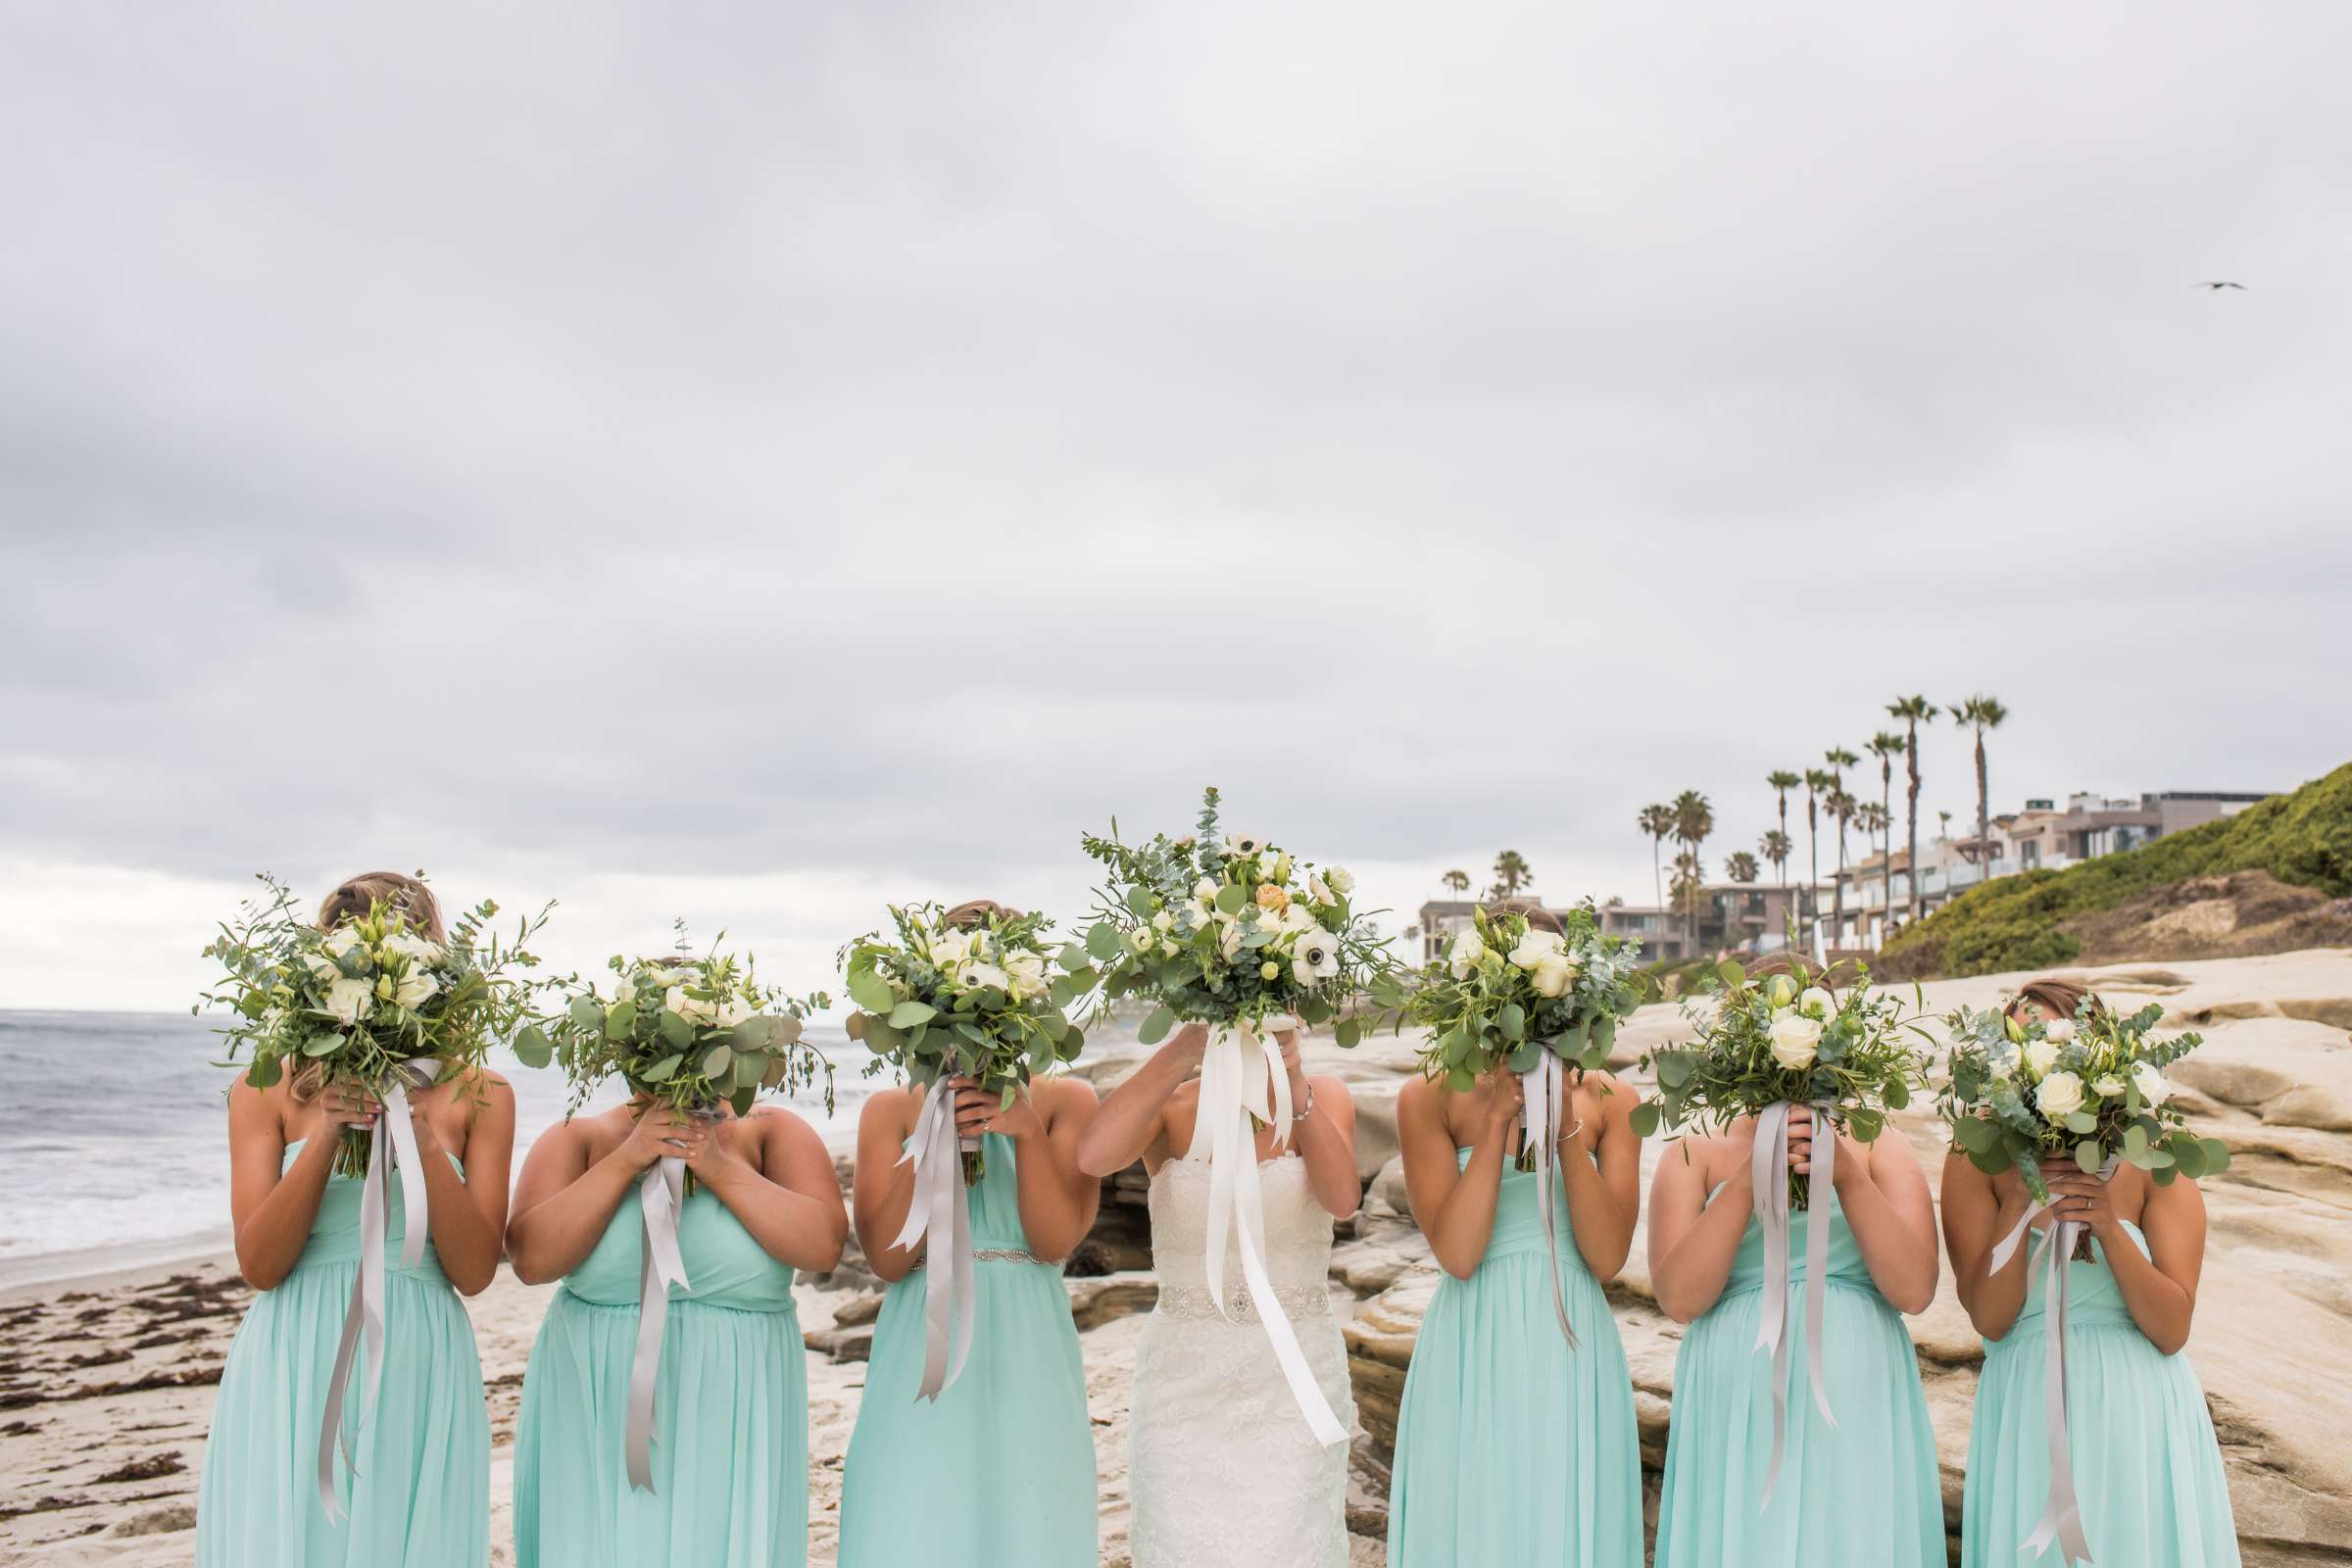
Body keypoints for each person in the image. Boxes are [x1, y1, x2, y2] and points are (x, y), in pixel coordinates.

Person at [196, 871, 512, 1567]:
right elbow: (260, 1264)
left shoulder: (483, 1094)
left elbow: (475, 1271)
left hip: (419, 1348)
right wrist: (333, 1130)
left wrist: (425, 1141)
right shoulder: (266, 1085)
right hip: (297, 1346)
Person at [506, 1038, 846, 1568]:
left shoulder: (773, 1132)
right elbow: (531, 1261)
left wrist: (715, 1165)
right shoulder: (581, 1137)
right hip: (599, 1396)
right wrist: (628, 1159)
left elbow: (822, 1248)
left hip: (739, 1396)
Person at [1648, 957, 1944, 1566]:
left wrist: (1850, 1177)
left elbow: (1915, 1289)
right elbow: (1679, 1299)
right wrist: (1746, 1177)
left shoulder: (1879, 1139)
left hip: (1855, 1378)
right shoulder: (1694, 1148)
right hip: (1738, 1385)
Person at [837, 899, 1103, 1567]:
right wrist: (933, 1136)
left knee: (1029, 1508)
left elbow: (1054, 1243)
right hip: (923, 1328)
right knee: (916, 1510)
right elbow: (890, 1261)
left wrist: (1027, 1132)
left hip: (1028, 1331)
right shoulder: (889, 1109)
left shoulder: (1069, 1101)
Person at [1386, 904, 1646, 1566]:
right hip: (1474, 1337)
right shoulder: (1429, 1095)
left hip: (1572, 1337)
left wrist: (1561, 1127)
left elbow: (1609, 1256)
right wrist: (1500, 1120)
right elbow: (1459, 1255)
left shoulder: (1613, 1100)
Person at [1945, 978, 2238, 1567]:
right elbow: (1992, 1320)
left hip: (2138, 1407)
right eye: (2020, 1041)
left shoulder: (2157, 1155)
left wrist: (2107, 1225)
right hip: (2027, 1401)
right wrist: (2019, 1203)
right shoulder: (1973, 1157)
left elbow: (2173, 1328)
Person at [1078, 1014, 1359, 1567]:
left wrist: (1295, 1077)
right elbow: (1093, 1157)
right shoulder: (1172, 1104)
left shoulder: (1322, 1096)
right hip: (1184, 1380)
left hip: (1295, 1376)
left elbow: (1343, 1198)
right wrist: (1184, 1049)